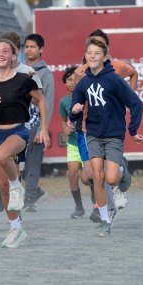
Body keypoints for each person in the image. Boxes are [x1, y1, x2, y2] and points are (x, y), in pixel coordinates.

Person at [0, 39, 49, 248]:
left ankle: (17, 185)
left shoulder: (23, 80)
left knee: (3, 156)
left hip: (17, 132)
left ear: (14, 56)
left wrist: (43, 129)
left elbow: (41, 100)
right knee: (2, 187)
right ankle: (16, 228)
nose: (2, 53)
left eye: (7, 51)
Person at [69, 38, 143, 237]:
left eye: (97, 53)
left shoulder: (114, 79)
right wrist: (75, 111)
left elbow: (136, 104)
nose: (92, 56)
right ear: (85, 56)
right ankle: (105, 220)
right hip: (92, 134)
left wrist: (133, 130)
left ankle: (122, 169)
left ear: (105, 57)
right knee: (97, 177)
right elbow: (73, 111)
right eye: (89, 53)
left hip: (113, 135)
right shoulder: (83, 81)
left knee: (111, 178)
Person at [22, 33, 55, 210]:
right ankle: (36, 192)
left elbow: (47, 102)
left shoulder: (45, 73)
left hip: (36, 124)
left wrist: (43, 128)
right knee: (20, 164)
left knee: (33, 162)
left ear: (41, 49)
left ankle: (29, 200)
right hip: (19, 123)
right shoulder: (18, 69)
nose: (28, 50)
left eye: (32, 47)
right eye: (26, 46)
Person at [59, 65, 88, 218]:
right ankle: (79, 208)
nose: (71, 82)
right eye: (68, 80)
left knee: (87, 178)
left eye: (73, 79)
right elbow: (63, 120)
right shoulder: (64, 101)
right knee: (72, 175)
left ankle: (98, 202)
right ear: (64, 83)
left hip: (87, 142)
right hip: (72, 143)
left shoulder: (86, 97)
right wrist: (65, 128)